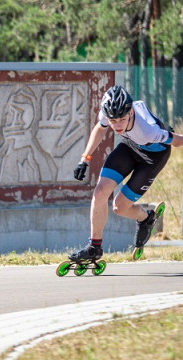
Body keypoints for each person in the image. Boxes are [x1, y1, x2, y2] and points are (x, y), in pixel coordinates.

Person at [70, 85, 182, 262]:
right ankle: (94, 247)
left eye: (121, 120)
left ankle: (146, 218)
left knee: (119, 207)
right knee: (99, 192)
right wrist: (85, 159)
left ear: (130, 112)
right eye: (113, 121)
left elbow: (177, 141)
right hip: (130, 146)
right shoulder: (110, 112)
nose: (117, 125)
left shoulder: (148, 130)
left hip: (153, 157)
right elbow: (100, 128)